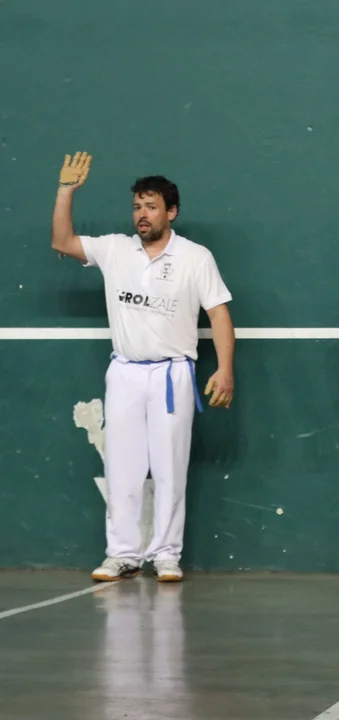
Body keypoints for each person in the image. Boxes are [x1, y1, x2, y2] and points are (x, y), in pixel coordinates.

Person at [50, 152, 236, 583]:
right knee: (122, 468)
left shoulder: (195, 257)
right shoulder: (115, 248)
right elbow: (62, 242)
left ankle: (167, 555)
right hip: (125, 373)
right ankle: (123, 554)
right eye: (137, 206)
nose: (142, 214)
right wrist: (66, 191)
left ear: (171, 212)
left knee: (170, 468)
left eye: (151, 206)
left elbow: (219, 314)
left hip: (173, 375)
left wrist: (224, 369)